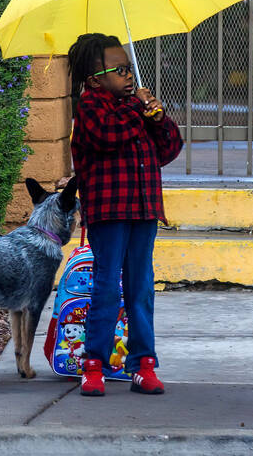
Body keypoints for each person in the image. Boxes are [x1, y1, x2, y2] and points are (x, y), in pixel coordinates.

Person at [67, 32, 183, 397]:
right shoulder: (90, 108)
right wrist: (139, 109)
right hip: (110, 211)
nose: (128, 75)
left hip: (144, 209)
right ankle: (94, 364)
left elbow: (169, 149)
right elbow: (107, 135)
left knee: (140, 287)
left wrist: (159, 117)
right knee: (106, 287)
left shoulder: (136, 107)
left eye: (129, 68)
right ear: (94, 79)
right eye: (118, 69)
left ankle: (143, 363)